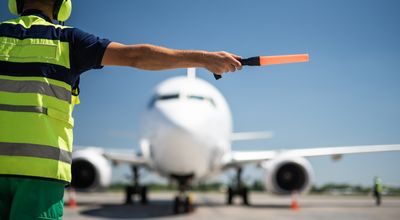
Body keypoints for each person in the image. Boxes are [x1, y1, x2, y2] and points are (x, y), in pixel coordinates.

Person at [0, 0, 242, 219]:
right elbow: (136, 56)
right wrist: (205, 59)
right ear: (63, 6)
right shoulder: (67, 41)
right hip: (41, 176)